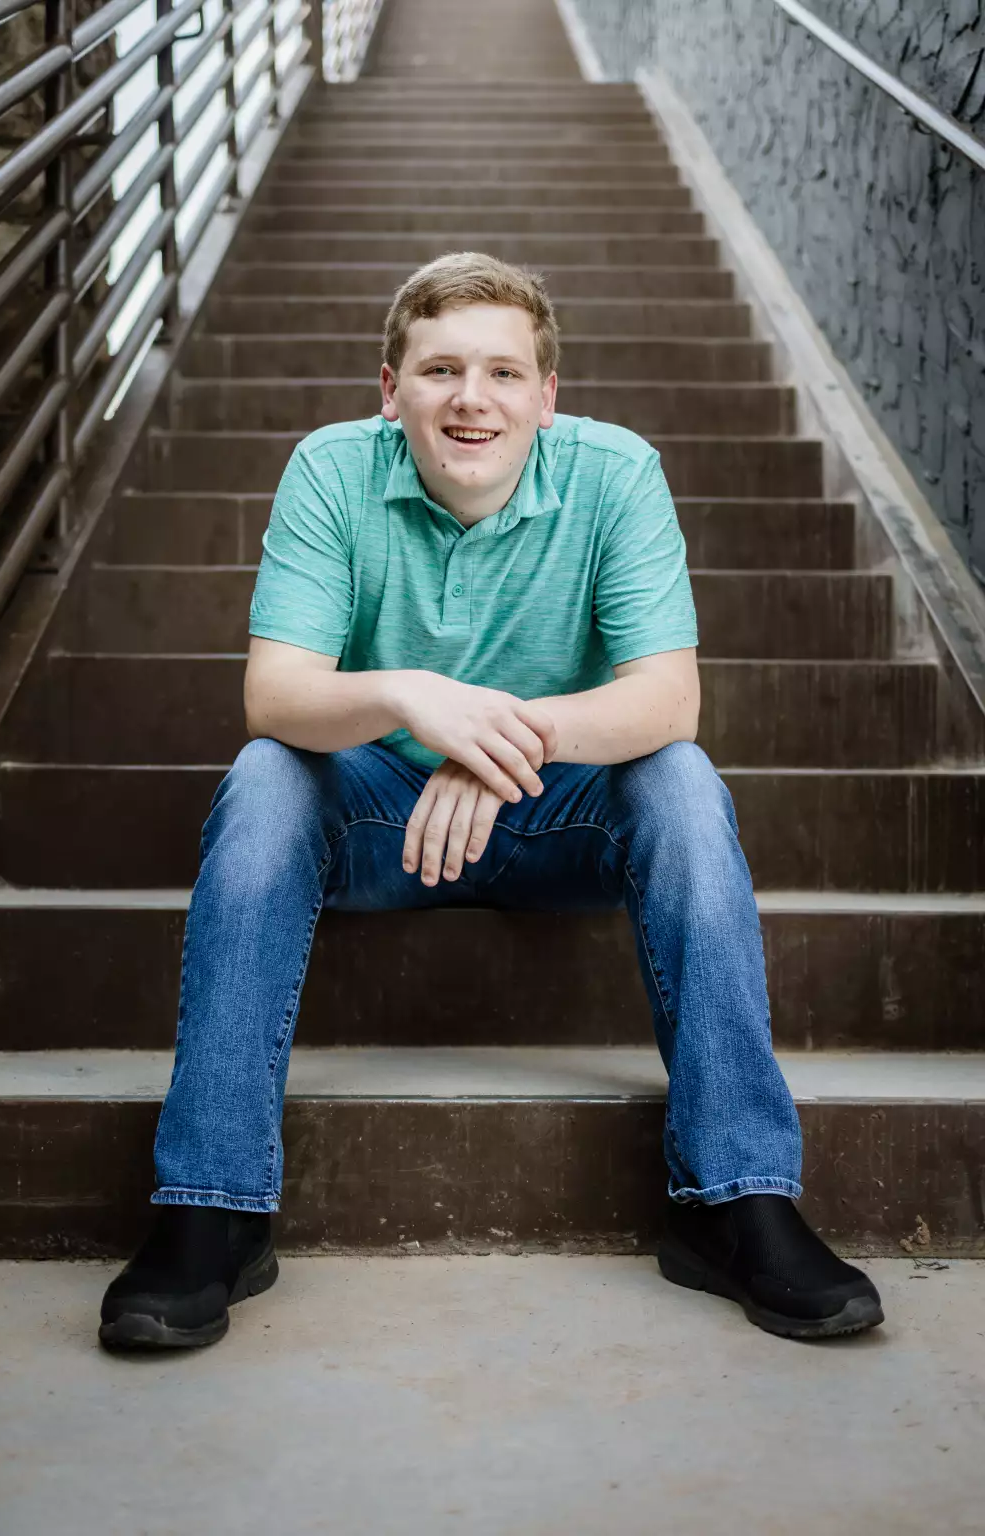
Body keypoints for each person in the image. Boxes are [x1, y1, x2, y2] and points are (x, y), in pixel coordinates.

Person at [99, 251, 884, 1351]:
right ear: (391, 390)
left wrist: (506, 738)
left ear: (546, 397)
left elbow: (668, 698)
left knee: (683, 781)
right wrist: (413, 695)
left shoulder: (616, 474)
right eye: (441, 371)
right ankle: (211, 1210)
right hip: (384, 820)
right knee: (267, 774)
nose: (473, 399)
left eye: (505, 373)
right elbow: (274, 695)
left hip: (557, 816)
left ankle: (735, 1199)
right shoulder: (329, 470)